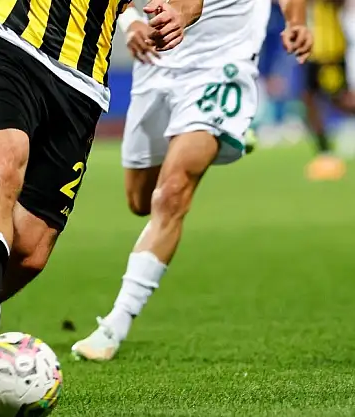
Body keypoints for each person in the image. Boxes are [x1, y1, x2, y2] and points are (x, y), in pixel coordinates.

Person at [0, 0, 203, 396]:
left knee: (30, 252)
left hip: (81, 84)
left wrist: (179, 14)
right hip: (4, 41)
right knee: (0, 167)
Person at [70, 0, 312, 361]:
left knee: (171, 195)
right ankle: (227, 131)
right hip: (157, 63)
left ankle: (114, 325)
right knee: (140, 201)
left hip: (219, 67)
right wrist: (131, 21)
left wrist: (296, 21)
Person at [302, 0, 350, 181]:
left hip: (329, 50)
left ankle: (325, 151)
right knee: (309, 100)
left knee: (341, 100)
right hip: (311, 51)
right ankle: (324, 151)